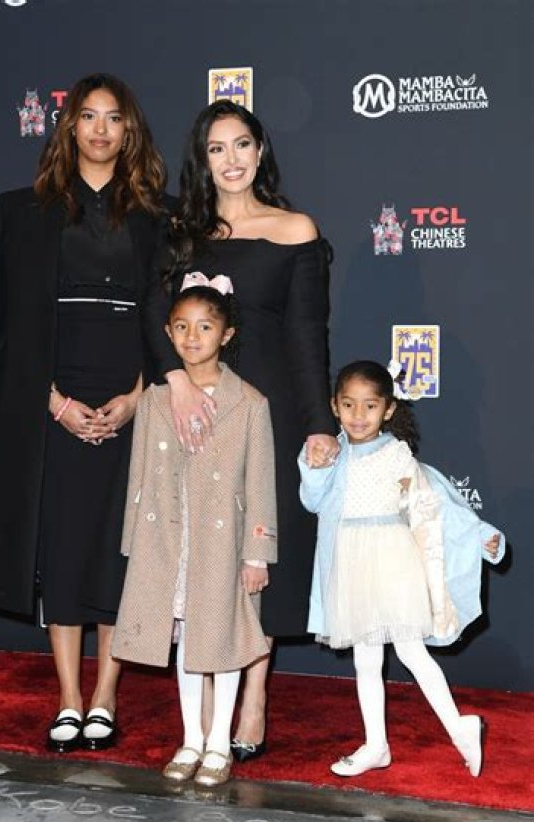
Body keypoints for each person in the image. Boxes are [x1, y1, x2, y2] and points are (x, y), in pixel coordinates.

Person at [0, 73, 167, 753]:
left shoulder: (156, 217)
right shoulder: (21, 210)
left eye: (114, 118)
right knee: (62, 547)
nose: (101, 129)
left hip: (128, 395)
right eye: (89, 116)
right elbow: (0, 319)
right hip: (50, 397)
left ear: (128, 131)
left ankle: (106, 695)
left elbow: (169, 323)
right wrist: (49, 401)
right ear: (69, 127)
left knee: (116, 551)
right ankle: (69, 698)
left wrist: (139, 397)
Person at [144, 100, 338, 761]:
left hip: (266, 408)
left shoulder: (294, 229)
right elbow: (152, 317)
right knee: (199, 552)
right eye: (216, 148)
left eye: (242, 144)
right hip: (189, 412)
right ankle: (201, 705)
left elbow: (308, 334)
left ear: (261, 152)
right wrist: (172, 378)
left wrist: (317, 422)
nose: (230, 159)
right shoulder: (180, 234)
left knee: (255, 556)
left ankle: (254, 692)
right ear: (202, 160)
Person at [299, 360, 505, 777]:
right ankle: (376, 744)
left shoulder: (397, 455)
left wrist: (480, 533)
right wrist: (314, 466)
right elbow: (313, 501)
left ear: (388, 410)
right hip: (349, 566)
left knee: (412, 651)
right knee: (366, 659)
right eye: (350, 405)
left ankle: (459, 727)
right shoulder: (331, 451)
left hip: (392, 563)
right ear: (334, 407)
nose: (359, 416)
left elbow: (433, 502)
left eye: (370, 406)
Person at [113, 280, 277, 786]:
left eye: (205, 327)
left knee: (222, 641)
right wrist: (133, 545)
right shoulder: (157, 398)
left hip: (222, 546)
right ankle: (190, 739)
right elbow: (138, 476)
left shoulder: (250, 403)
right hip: (168, 543)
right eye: (181, 327)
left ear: (226, 334)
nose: (192, 337)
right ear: (167, 332)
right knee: (183, 642)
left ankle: (219, 744)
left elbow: (261, 482)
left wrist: (258, 553)